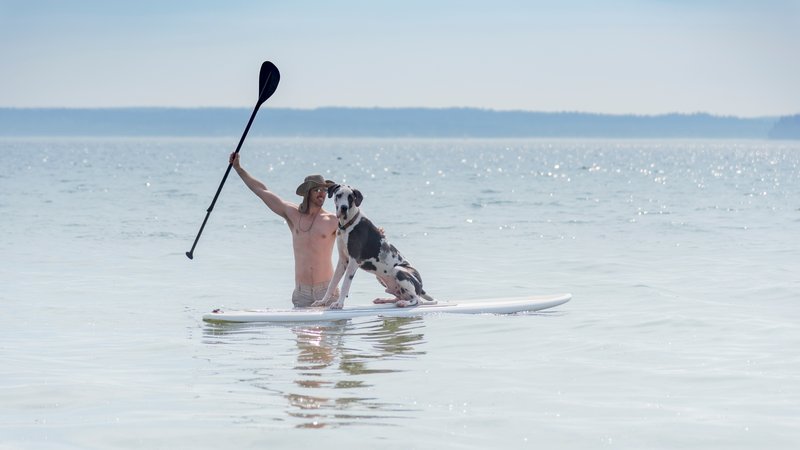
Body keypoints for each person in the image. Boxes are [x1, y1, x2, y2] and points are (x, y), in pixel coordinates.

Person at [229, 152, 340, 307]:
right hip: (302, 292)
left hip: (327, 290)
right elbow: (262, 191)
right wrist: (239, 169)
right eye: (317, 190)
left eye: (324, 190)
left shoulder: (334, 220)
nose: (322, 193)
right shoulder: (292, 214)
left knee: (332, 331)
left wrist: (377, 232)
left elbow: (358, 227)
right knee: (302, 332)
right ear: (308, 192)